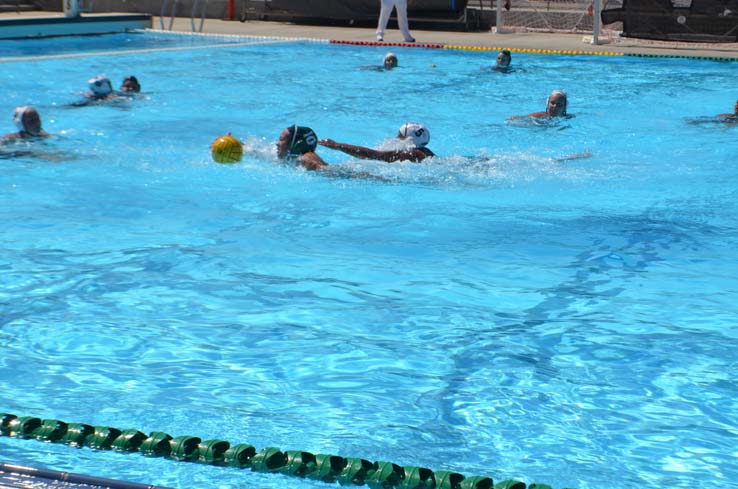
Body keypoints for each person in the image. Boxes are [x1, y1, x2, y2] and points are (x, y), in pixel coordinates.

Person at [318, 123, 434, 163]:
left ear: (408, 139)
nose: (396, 138)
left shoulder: (412, 154)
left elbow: (375, 155)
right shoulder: (427, 153)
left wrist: (337, 146)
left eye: (399, 136)